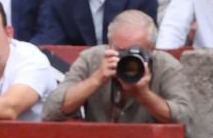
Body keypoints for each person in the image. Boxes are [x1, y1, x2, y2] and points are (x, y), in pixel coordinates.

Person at [47, 8, 188, 127]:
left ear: (152, 49)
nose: (127, 59)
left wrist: (144, 95)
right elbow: (51, 111)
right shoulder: (92, 59)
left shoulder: (166, 66)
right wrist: (97, 79)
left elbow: (185, 121)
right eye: (120, 51)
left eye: (136, 52)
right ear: (109, 45)